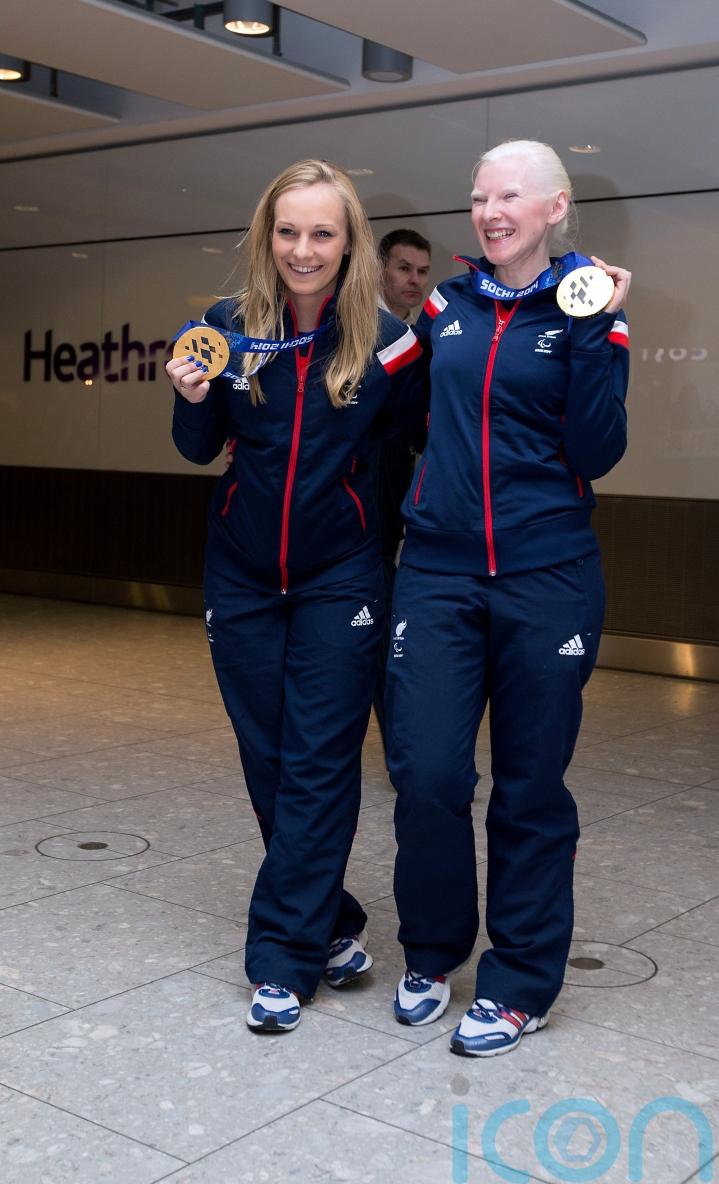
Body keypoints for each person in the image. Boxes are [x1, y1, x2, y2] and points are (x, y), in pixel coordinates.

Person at [167, 159, 427, 1034]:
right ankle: (332, 919)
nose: (303, 249)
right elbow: (197, 446)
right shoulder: (224, 327)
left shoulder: (389, 343)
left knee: (319, 759)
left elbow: (406, 447)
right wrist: (191, 395)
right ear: (266, 236)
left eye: (322, 232)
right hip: (240, 572)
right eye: (288, 231)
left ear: (349, 242)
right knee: (268, 756)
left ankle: (281, 960)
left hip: (341, 576)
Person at [387, 140, 631, 1057]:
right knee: (428, 774)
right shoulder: (446, 305)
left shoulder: (589, 307)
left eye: (510, 196)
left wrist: (594, 330)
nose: (490, 212)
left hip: (547, 575)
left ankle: (520, 982)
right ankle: (432, 952)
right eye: (479, 196)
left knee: (529, 787)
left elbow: (598, 449)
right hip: (438, 572)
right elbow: (389, 412)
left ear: (555, 207)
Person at [371, 229, 432, 749]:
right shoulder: (356, 335)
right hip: (355, 512)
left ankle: (406, 751)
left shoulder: (422, 343)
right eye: (403, 268)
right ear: (378, 269)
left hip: (399, 514)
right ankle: (403, 752)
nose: (414, 280)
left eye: (422, 271)